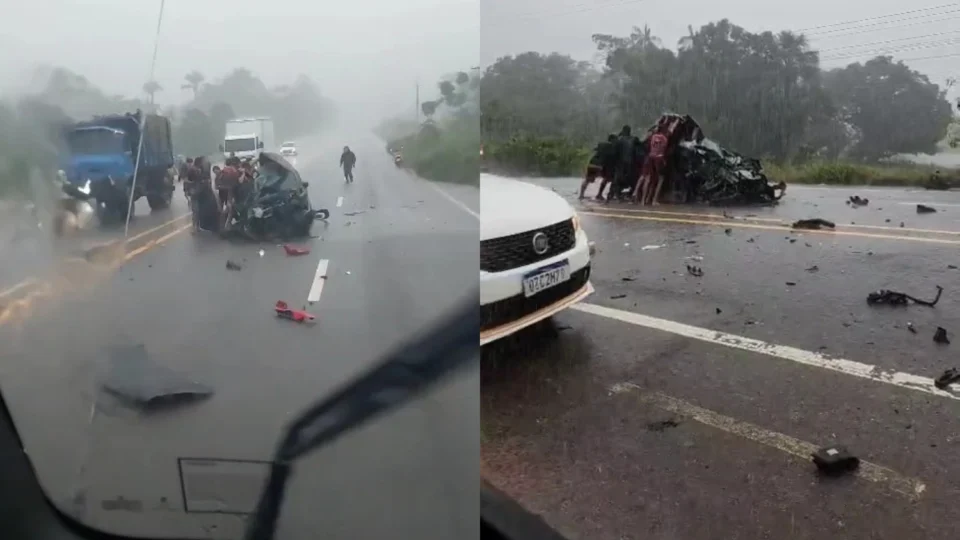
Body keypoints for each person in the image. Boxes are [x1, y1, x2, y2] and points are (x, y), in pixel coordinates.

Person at [636, 126, 669, 206]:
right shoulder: (665, 138)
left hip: (651, 157)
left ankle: (643, 201)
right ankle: (654, 200)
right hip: (659, 158)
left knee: (648, 178)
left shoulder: (653, 137)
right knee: (660, 180)